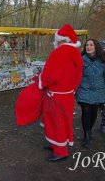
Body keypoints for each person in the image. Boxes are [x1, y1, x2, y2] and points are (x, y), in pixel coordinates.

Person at [38, 24, 83, 162]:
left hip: (56, 95)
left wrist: (41, 80)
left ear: (60, 40)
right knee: (64, 121)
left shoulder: (58, 53)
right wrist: (72, 90)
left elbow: (51, 75)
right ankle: (55, 144)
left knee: (56, 122)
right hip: (67, 95)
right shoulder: (76, 53)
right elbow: (78, 76)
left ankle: (60, 151)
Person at [75, 39, 105, 147]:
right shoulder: (80, 60)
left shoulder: (102, 60)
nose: (88, 47)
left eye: (91, 45)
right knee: (86, 112)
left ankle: (89, 129)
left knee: (94, 113)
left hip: (99, 91)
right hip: (84, 90)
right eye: (86, 45)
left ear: (96, 47)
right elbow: (76, 75)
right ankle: (86, 135)